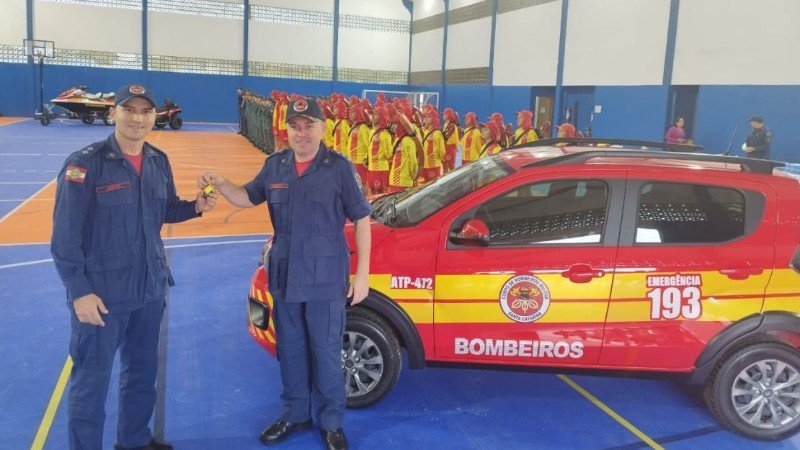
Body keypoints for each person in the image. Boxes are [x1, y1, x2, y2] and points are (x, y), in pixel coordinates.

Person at [51, 84, 217, 450]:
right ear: (114, 113)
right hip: (102, 298)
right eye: (129, 110)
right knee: (91, 385)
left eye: (145, 111)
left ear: (154, 117)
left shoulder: (158, 161)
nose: (137, 118)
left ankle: (134, 440)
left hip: (149, 290)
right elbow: (65, 237)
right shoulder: (85, 164)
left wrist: (195, 207)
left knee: (142, 375)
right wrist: (79, 292)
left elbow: (164, 209)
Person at [198, 99, 371, 450]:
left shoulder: (338, 168)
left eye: (309, 126)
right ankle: (296, 414)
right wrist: (222, 183)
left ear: (322, 128)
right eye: (295, 126)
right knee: (290, 350)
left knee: (325, 351)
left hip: (325, 279)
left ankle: (331, 422)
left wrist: (363, 274)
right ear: (287, 129)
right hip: (286, 276)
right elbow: (247, 197)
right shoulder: (275, 165)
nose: (301, 133)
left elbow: (362, 219)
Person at [367, 106, 393, 195]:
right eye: (373, 114)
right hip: (371, 168)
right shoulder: (371, 131)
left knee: (380, 194)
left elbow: (389, 154)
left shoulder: (384, 134)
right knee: (372, 193)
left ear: (381, 116)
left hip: (380, 169)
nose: (373, 116)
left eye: (376, 114)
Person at [420, 108, 446, 183]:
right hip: (425, 163)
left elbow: (441, 149)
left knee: (433, 184)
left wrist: (440, 158)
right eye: (426, 117)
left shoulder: (437, 133)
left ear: (433, 119)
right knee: (424, 184)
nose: (425, 119)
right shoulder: (426, 131)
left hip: (433, 164)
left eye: (428, 117)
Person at [442, 108, 460, 172]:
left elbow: (447, 137)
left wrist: (456, 147)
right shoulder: (445, 124)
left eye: (444, 114)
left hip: (450, 148)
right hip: (445, 147)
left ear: (449, 115)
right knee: (444, 166)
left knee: (451, 167)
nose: (443, 116)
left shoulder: (452, 125)